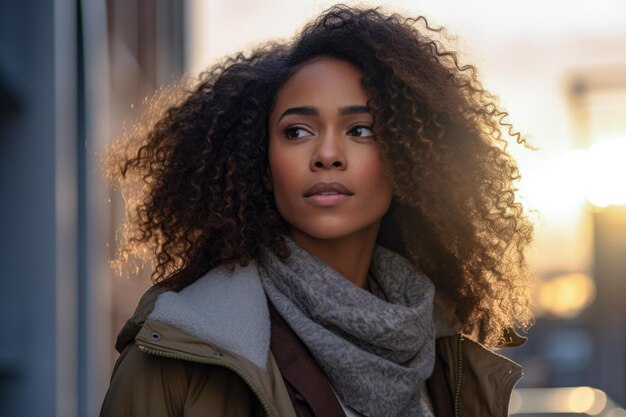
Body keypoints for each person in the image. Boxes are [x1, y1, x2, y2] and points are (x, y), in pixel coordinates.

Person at [100, 5, 534, 417]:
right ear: (262, 165)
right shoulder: (175, 356)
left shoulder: (451, 360)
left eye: (360, 129)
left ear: (404, 160)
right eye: (297, 131)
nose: (327, 154)